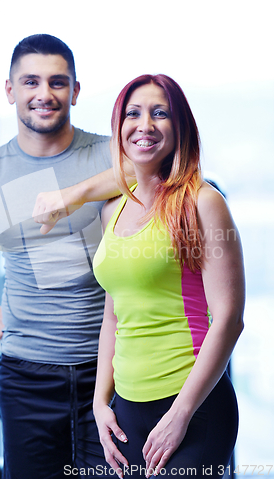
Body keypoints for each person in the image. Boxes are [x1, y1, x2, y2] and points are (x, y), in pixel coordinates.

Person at [0, 34, 130, 478]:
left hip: (112, 369)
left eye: (57, 82)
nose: (44, 94)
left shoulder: (112, 157)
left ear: (75, 91)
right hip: (26, 375)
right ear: (10, 91)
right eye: (30, 82)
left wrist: (77, 192)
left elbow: (177, 170)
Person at [92, 74, 245, 478]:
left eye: (160, 113)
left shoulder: (202, 202)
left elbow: (229, 319)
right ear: (119, 127)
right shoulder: (113, 210)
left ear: (180, 129)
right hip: (127, 410)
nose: (145, 124)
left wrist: (180, 415)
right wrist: (98, 402)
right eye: (133, 113)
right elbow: (114, 315)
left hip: (192, 407)